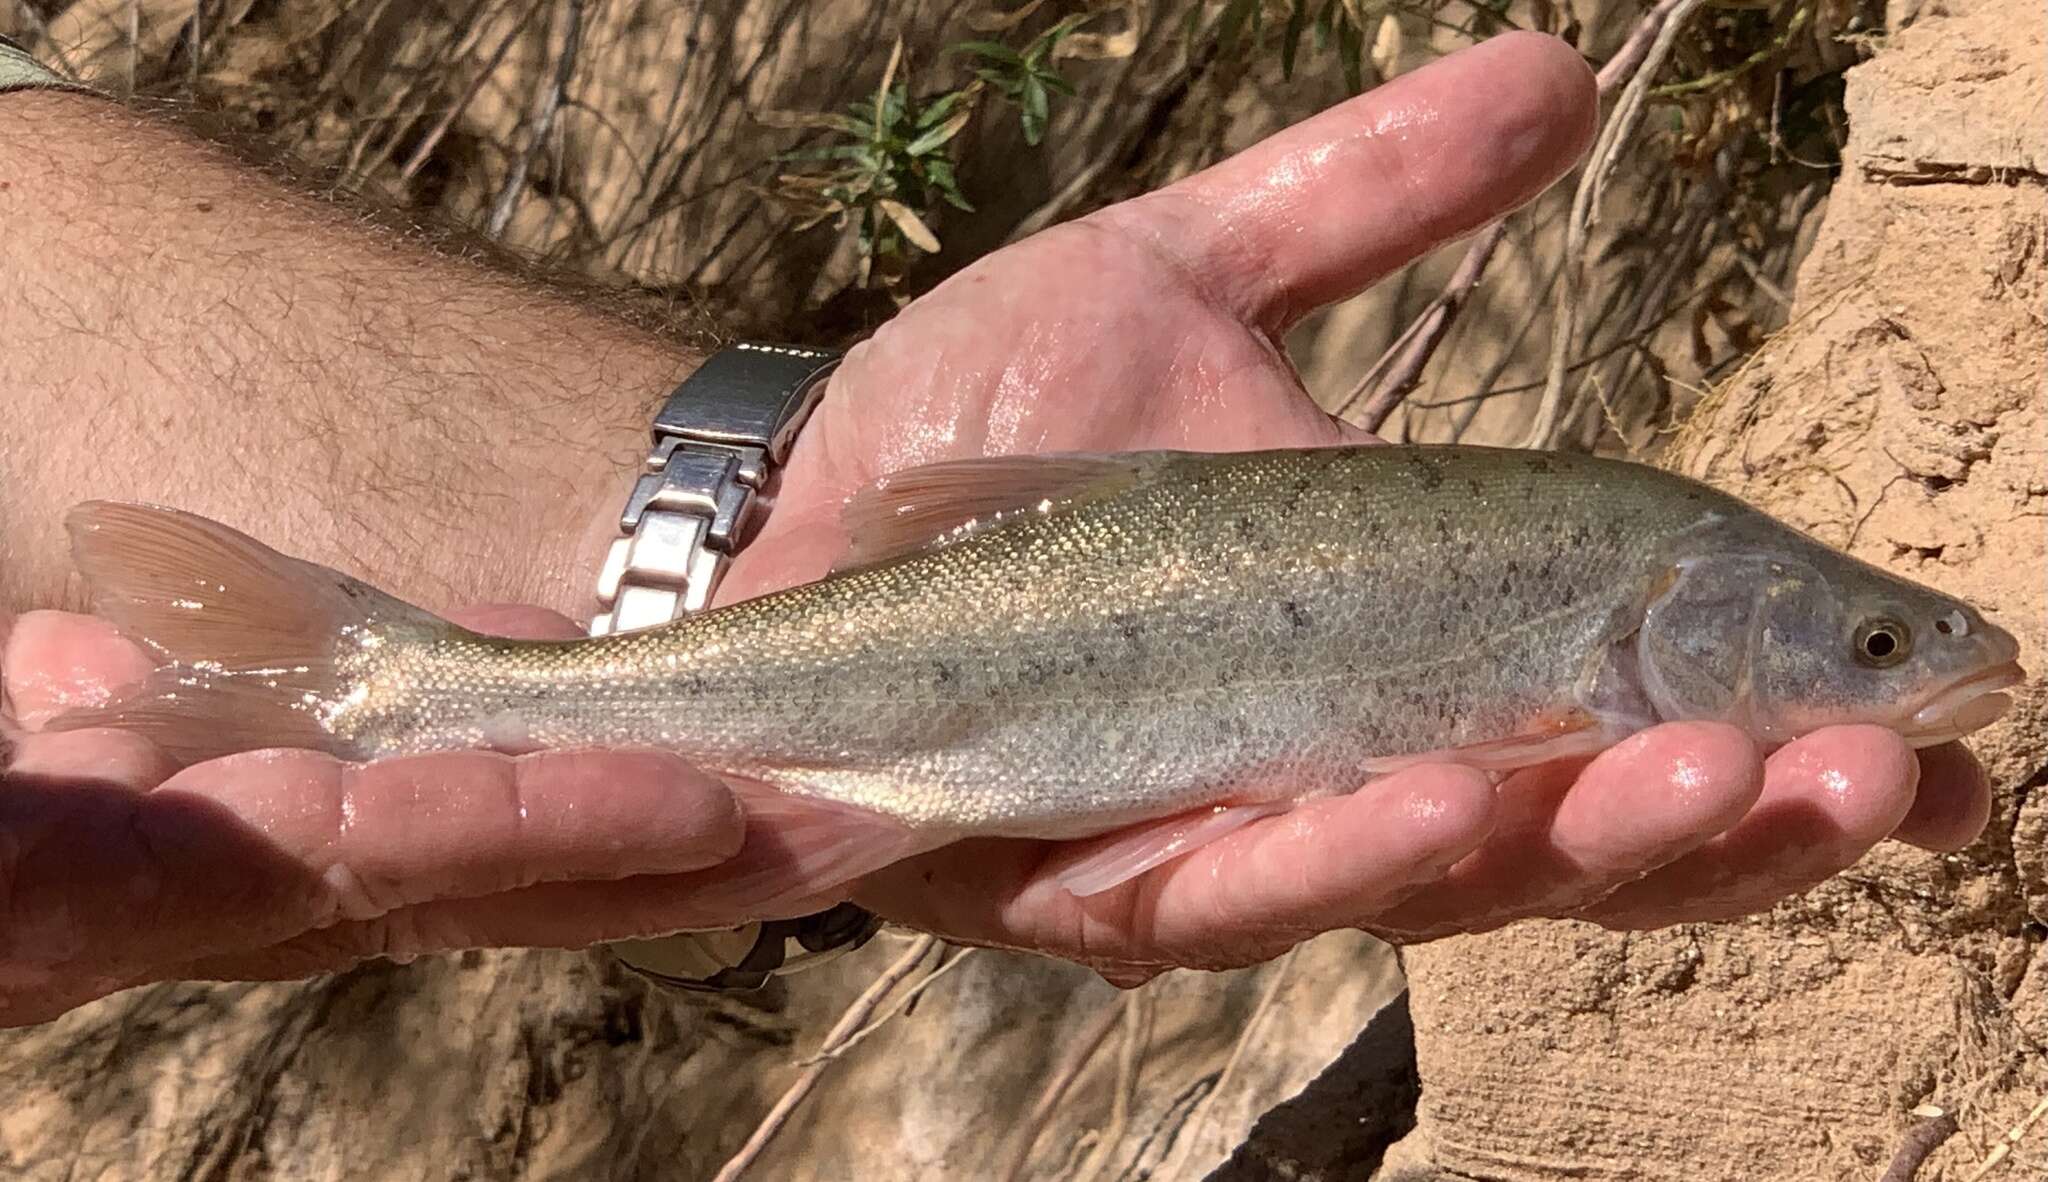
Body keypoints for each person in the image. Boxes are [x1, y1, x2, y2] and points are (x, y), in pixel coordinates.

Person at [0, 30, 1992, 1028]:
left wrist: (670, 522)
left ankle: (410, 686)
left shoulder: (1627, 566)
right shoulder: (1613, 581)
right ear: (1687, 623)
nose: (1897, 665)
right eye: (1869, 649)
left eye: (1872, 643)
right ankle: (404, 686)